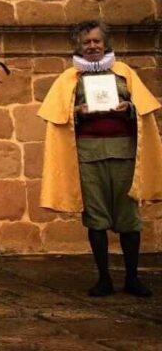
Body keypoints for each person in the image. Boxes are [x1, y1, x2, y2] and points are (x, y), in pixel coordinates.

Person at [39, 20, 162, 297]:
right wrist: (79, 112)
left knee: (129, 217)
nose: (92, 46)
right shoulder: (69, 79)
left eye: (96, 41)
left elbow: (143, 109)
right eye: (87, 42)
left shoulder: (125, 73)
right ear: (78, 46)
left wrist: (128, 107)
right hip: (88, 157)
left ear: (106, 43)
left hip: (124, 154)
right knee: (95, 218)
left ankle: (132, 278)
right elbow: (59, 115)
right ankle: (103, 279)